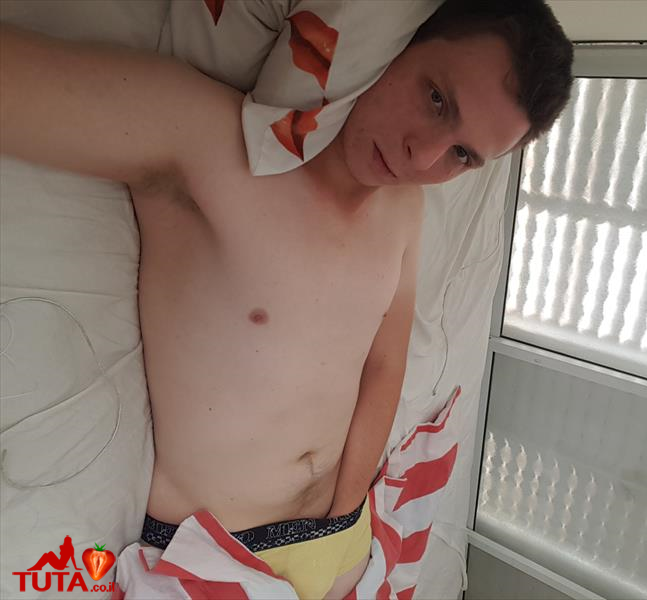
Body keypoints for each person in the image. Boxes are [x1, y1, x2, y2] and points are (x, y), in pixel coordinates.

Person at [0, 1, 572, 597]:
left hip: (344, 536)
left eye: (462, 155)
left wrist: (345, 514)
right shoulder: (206, 140)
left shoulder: (405, 207)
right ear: (392, 43)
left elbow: (385, 363)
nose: (423, 157)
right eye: (436, 100)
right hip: (216, 553)